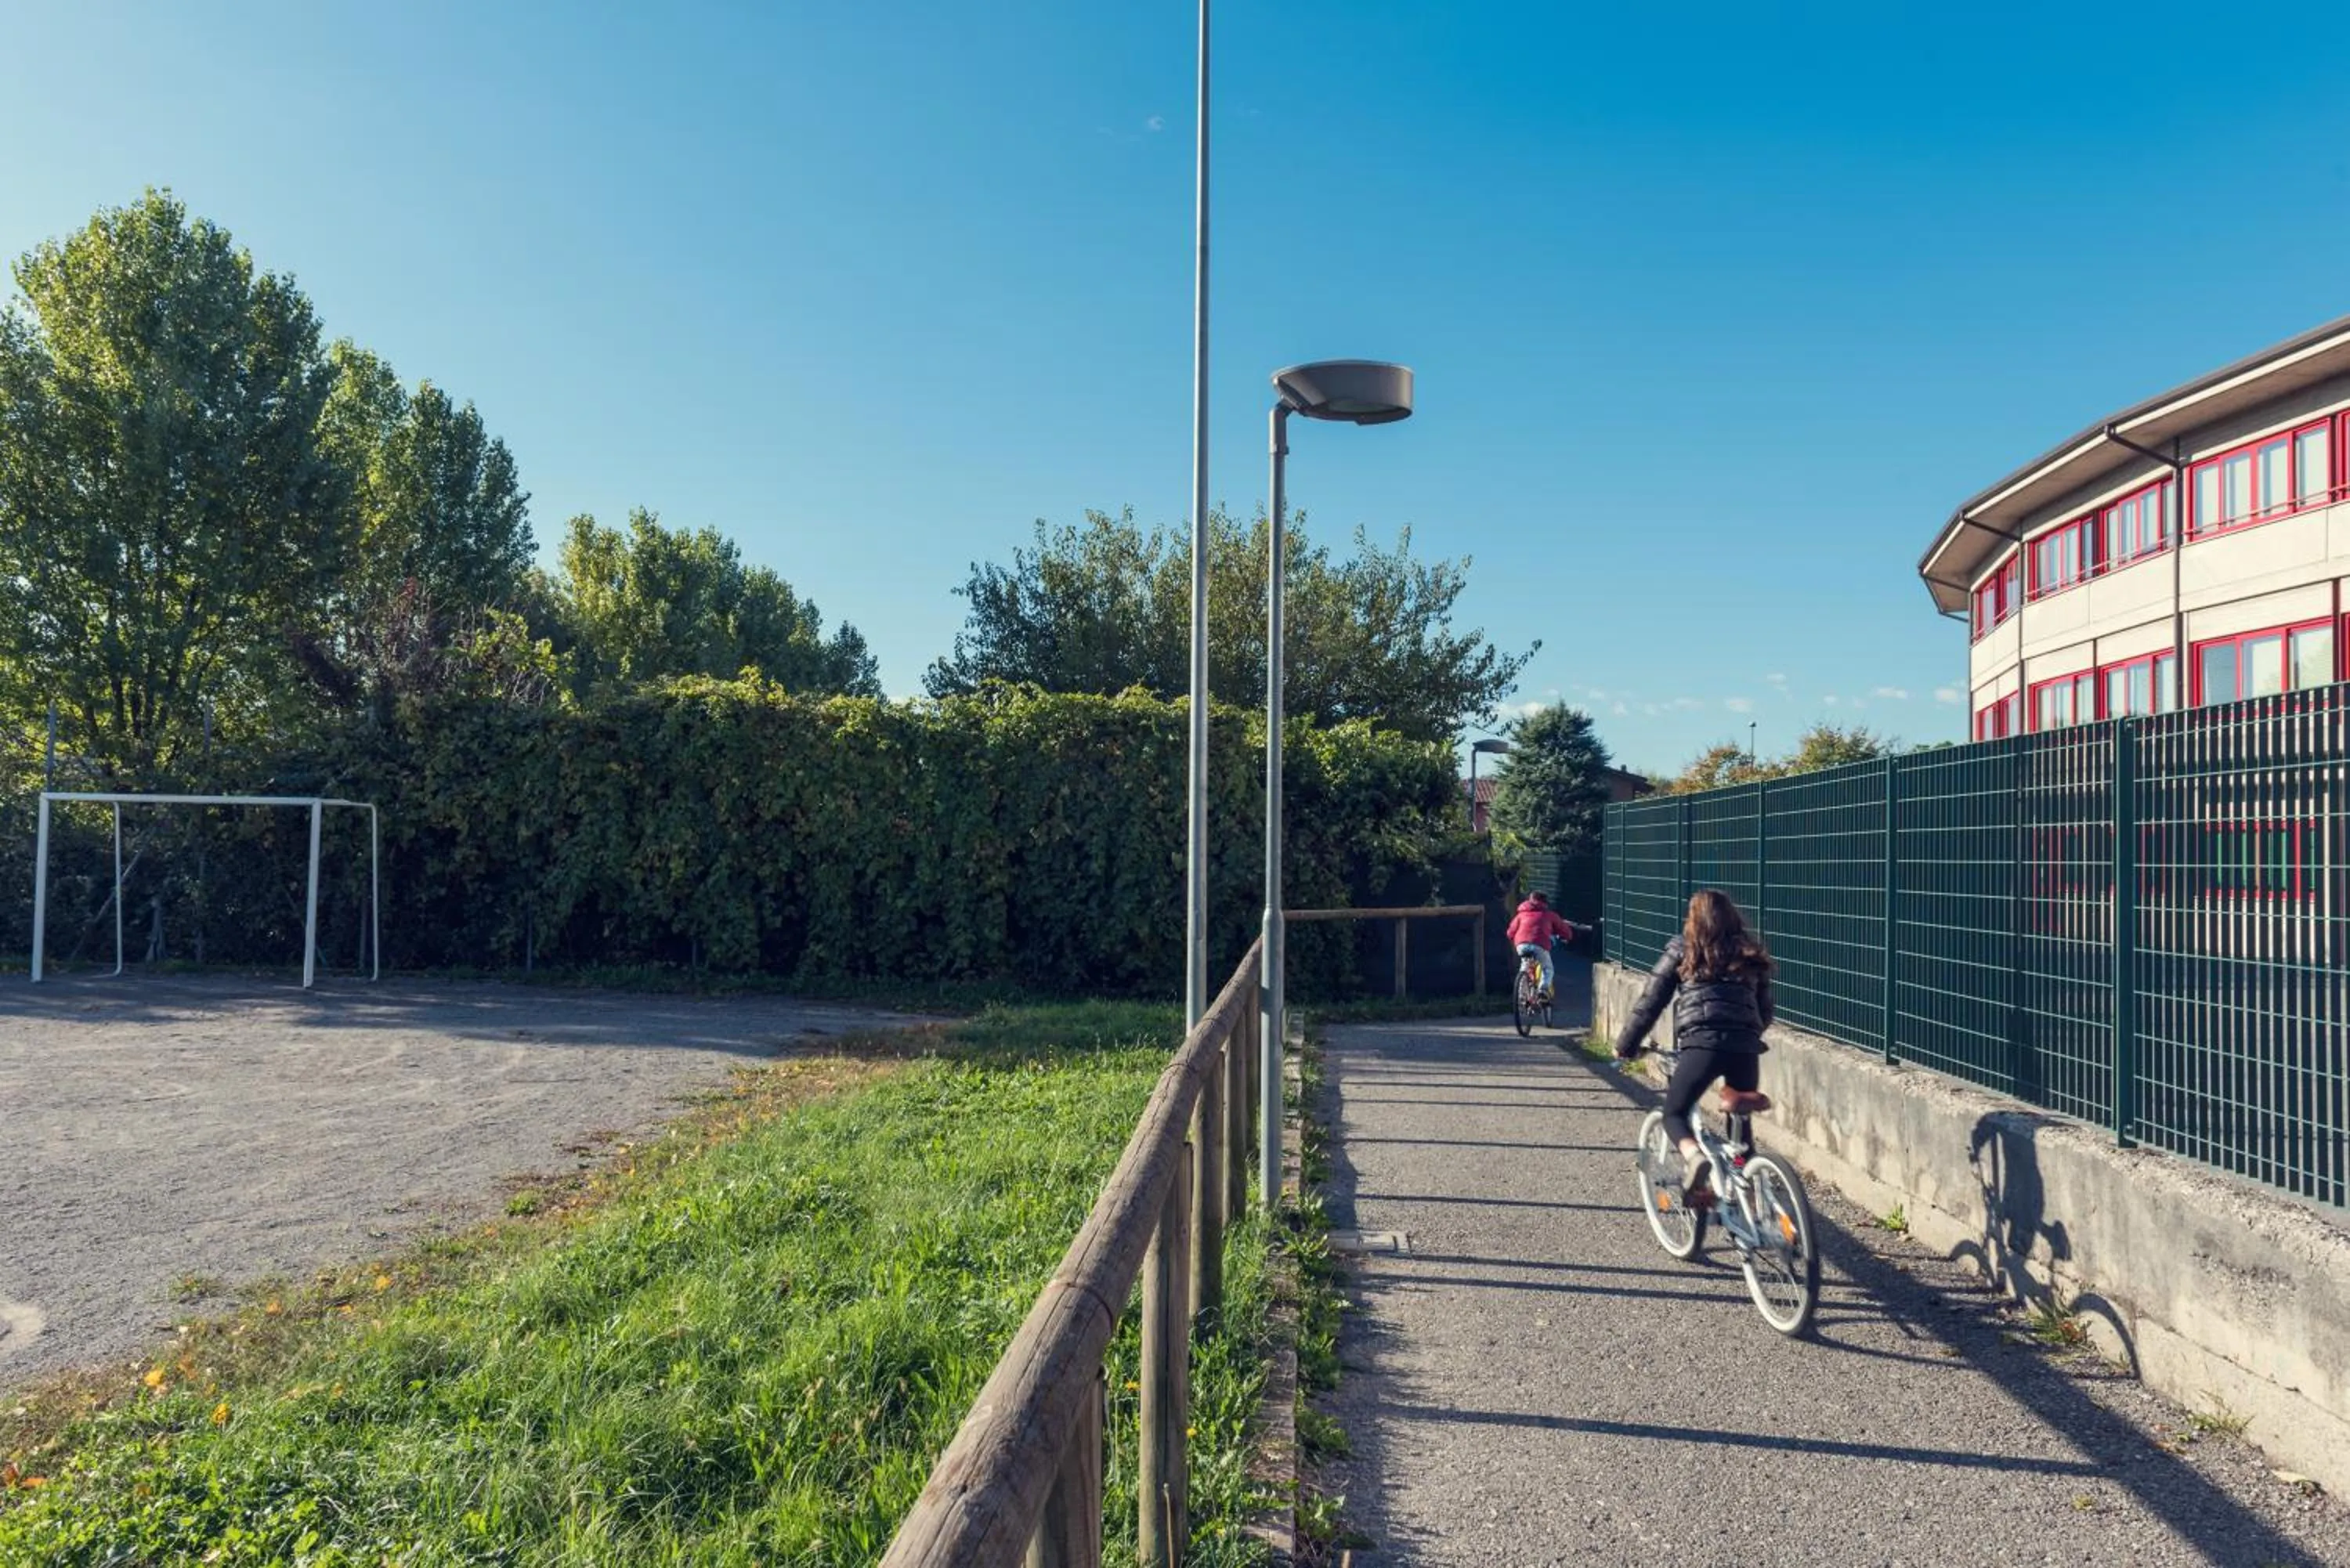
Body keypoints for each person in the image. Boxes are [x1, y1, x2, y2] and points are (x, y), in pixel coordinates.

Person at [1614, 889, 1776, 1205]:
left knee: (1674, 1113)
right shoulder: (1749, 952)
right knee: (1740, 1125)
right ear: (1733, 917)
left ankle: (1695, 1157)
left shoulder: (1682, 950)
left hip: (1702, 1044)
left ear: (1693, 919)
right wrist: (1748, 1032)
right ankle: (1749, 1196)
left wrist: (1626, 1045)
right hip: (1745, 1046)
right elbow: (1764, 1010)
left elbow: (1650, 1003)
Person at [1505, 891, 1578, 1001]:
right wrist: (1568, 937)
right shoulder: (1549, 915)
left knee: (1525, 966)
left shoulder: (1521, 914)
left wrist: (1515, 939)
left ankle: (1521, 995)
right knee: (1548, 969)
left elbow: (1510, 932)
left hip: (1521, 945)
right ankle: (1543, 990)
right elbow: (1564, 930)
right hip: (1540, 945)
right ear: (1545, 902)